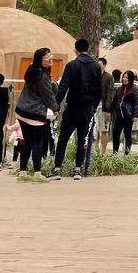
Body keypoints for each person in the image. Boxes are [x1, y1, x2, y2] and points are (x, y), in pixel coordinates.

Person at [51, 38, 102, 180]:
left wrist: (56, 105)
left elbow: (63, 87)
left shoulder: (72, 65)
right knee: (83, 138)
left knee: (63, 138)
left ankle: (57, 168)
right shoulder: (96, 67)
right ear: (88, 49)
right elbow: (99, 89)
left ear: (76, 50)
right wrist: (94, 106)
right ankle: (77, 169)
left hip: (73, 106)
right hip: (88, 108)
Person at [15, 48, 60, 182]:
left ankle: (22, 173)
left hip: (21, 111)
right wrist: (56, 109)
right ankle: (37, 174)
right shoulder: (43, 76)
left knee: (27, 142)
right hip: (34, 114)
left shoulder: (31, 70)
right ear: (40, 59)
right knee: (37, 143)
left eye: (51, 54)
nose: (51, 57)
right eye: (47, 56)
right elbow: (48, 95)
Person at [110, 70, 138, 156]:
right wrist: (109, 111)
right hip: (119, 116)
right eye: (123, 77)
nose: (124, 79)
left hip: (128, 116)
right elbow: (115, 102)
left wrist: (135, 115)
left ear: (131, 78)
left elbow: (136, 103)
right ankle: (115, 153)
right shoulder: (119, 89)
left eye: (127, 77)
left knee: (127, 135)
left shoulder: (135, 89)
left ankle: (127, 154)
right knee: (115, 134)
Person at [98, 59, 117, 154]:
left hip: (104, 107)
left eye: (100, 64)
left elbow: (110, 93)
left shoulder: (108, 77)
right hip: (93, 106)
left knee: (104, 130)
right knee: (93, 131)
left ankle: (103, 152)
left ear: (104, 65)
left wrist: (108, 109)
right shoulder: (93, 75)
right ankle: (95, 151)